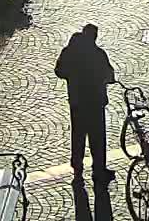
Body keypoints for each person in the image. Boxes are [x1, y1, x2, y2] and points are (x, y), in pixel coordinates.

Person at [55, 23, 116, 183]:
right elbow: (109, 74)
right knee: (97, 138)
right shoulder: (98, 54)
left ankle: (77, 169)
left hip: (77, 101)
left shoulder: (70, 52)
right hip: (96, 102)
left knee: (78, 136)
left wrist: (71, 77)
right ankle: (99, 170)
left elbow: (59, 71)